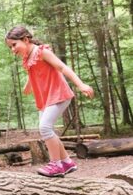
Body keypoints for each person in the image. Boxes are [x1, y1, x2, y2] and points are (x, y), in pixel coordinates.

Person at [5, 26, 94, 177]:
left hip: (58, 94)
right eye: (10, 47)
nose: (13, 49)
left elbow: (62, 67)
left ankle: (55, 165)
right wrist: (28, 86)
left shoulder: (42, 52)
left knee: (45, 128)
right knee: (47, 129)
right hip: (46, 98)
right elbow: (33, 73)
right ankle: (66, 162)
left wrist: (81, 85)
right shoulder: (27, 57)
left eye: (14, 45)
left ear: (25, 40)